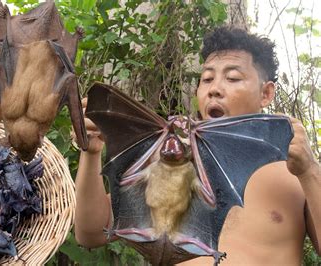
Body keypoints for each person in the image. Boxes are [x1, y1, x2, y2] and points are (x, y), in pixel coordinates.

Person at [74, 26, 320, 265]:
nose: (214, 89)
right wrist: (91, 153)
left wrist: (308, 170)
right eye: (207, 79)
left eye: (233, 78)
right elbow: (91, 233)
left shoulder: (292, 167)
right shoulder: (174, 158)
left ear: (266, 94)